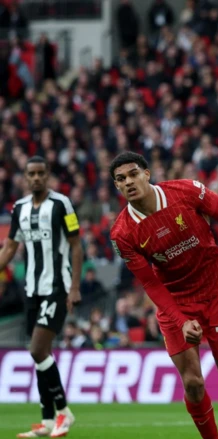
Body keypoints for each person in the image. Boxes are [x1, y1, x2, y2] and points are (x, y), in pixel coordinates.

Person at [108, 152, 218, 439]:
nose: (129, 182)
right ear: (117, 187)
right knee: (193, 383)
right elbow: (150, 283)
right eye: (121, 179)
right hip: (175, 300)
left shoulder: (186, 190)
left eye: (133, 174)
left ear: (147, 174)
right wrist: (181, 319)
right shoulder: (122, 233)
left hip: (215, 291)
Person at [0, 156, 83, 438]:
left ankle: (64, 412)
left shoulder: (62, 204)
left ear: (47, 176)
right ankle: (47, 421)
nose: (35, 178)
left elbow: (76, 246)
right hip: (31, 291)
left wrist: (74, 288)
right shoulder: (19, 208)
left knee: (37, 349)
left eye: (40, 173)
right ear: (24, 177)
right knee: (40, 356)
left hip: (57, 287)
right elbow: (10, 248)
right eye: (30, 174)